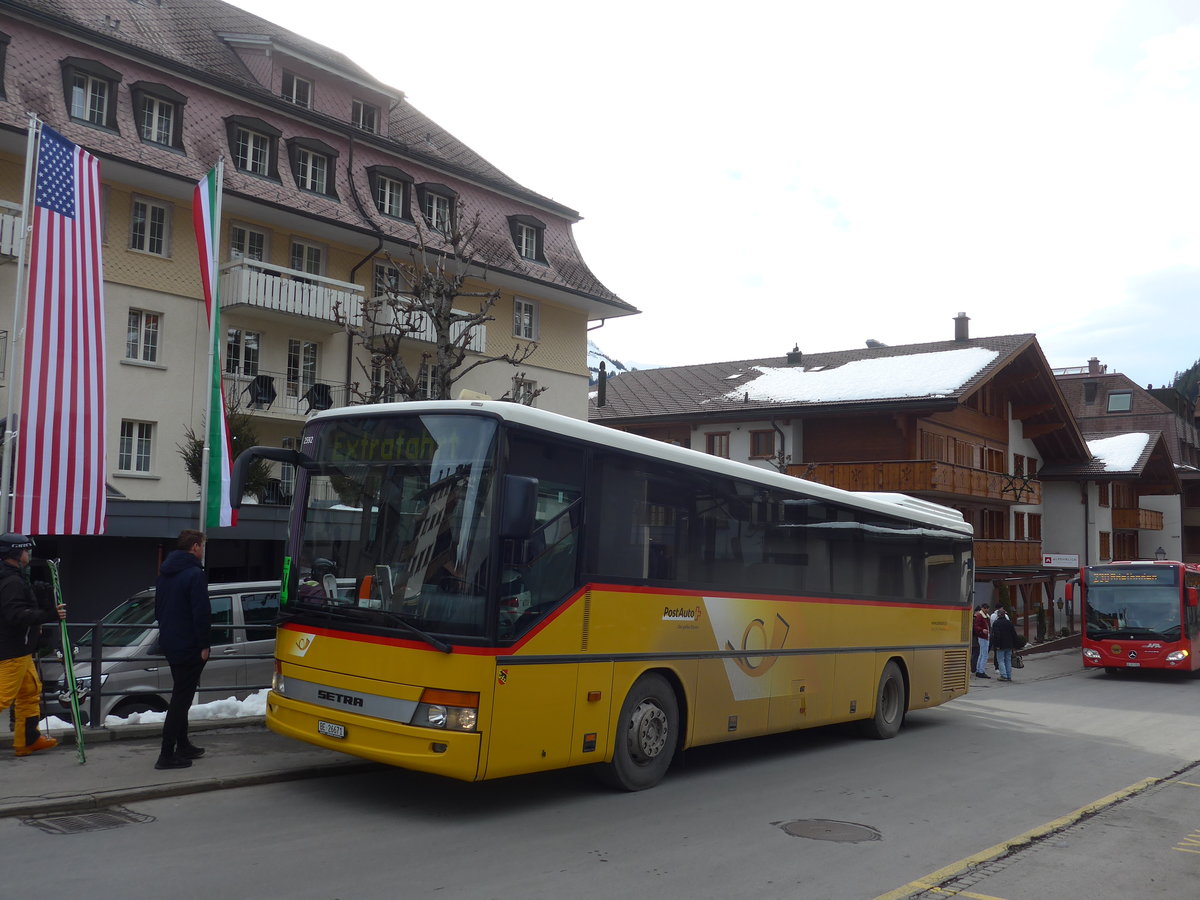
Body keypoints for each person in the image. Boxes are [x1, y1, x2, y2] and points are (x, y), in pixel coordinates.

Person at [0, 533, 66, 757]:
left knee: (30, 691)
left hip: (21, 648)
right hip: (12, 649)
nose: (28, 554)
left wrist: (40, 606)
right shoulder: (12, 582)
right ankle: (28, 740)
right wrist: (49, 614)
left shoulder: (12, 578)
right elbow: (15, 615)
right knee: (3, 697)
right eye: (26, 550)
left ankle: (28, 740)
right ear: (16, 553)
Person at [154, 529, 210, 770]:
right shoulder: (195, 574)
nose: (203, 550)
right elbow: (201, 612)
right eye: (202, 546)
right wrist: (204, 644)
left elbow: (158, 609)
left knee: (181, 694)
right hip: (189, 645)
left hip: (171, 642)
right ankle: (166, 754)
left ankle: (183, 744)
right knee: (181, 699)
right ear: (195, 546)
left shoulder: (166, 572)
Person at [990, 604, 1020, 682]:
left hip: (1000, 645)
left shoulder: (996, 623)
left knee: (1001, 660)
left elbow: (996, 635)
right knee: (1008, 660)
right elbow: (1014, 634)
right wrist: (1015, 644)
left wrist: (996, 645)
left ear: (998, 615)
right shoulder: (1009, 623)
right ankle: (1009, 675)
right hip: (1009, 645)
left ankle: (1003, 675)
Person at [972, 604, 991, 679]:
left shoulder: (982, 616)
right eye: (986, 608)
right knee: (984, 655)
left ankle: (978, 670)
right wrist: (982, 630)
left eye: (987, 608)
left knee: (981, 654)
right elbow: (976, 627)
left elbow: (977, 626)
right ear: (983, 608)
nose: (987, 610)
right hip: (983, 637)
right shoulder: (981, 616)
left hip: (983, 636)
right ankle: (981, 671)